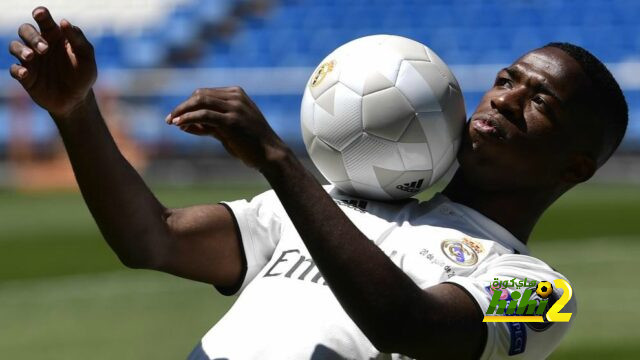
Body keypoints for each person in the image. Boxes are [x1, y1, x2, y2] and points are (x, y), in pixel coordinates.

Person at [9, 7, 627, 360]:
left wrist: (279, 161)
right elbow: (152, 238)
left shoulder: (541, 292)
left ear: (576, 166)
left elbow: (412, 326)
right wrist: (75, 112)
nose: (505, 99)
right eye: (506, 78)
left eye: (539, 98)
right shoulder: (336, 203)